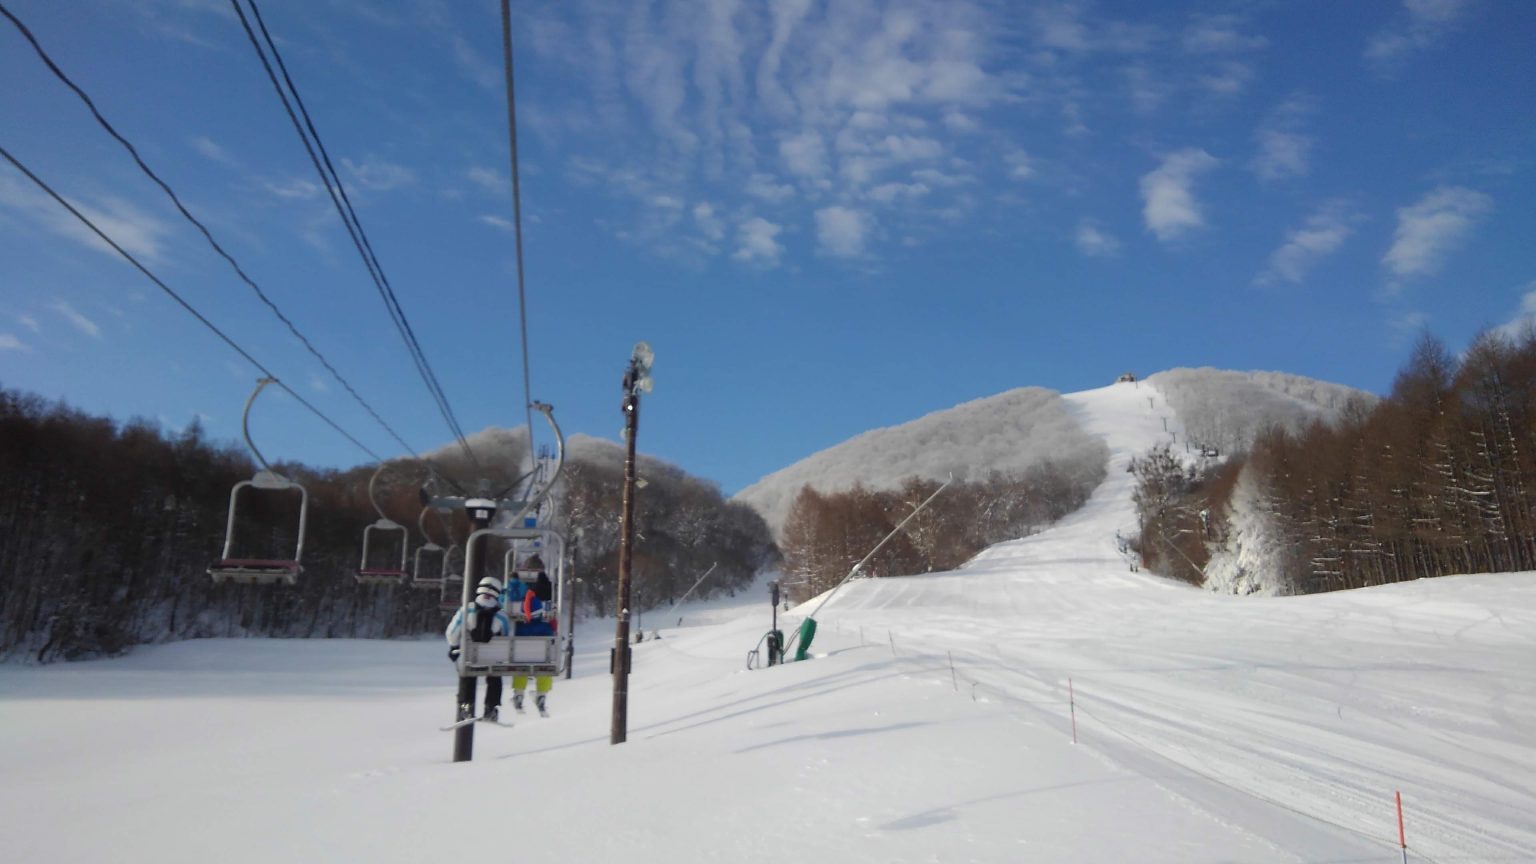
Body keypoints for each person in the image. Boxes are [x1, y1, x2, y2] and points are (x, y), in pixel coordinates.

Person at [445, 576, 511, 721]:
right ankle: (491, 707)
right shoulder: (502, 616)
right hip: (492, 661)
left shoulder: (466, 610)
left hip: (470, 658)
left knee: (466, 674)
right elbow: (506, 638)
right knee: (495, 677)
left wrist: (453, 646)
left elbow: (452, 632)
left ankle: (466, 705)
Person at [510, 555, 556, 717]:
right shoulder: (547, 586)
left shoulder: (517, 586)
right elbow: (551, 610)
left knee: (521, 662)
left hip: (522, 632)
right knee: (545, 663)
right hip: (543, 632)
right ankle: (541, 694)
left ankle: (518, 693)